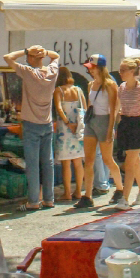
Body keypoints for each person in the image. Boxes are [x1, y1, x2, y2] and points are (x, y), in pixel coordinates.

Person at [4, 45, 60, 211]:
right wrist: (45, 52)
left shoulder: (28, 72)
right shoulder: (52, 72)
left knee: (33, 164)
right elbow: (56, 56)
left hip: (30, 123)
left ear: (31, 58)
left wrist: (25, 50)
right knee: (48, 163)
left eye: (28, 56)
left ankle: (34, 201)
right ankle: (49, 199)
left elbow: (7, 57)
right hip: (47, 122)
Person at [74, 54, 124, 209]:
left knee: (107, 158)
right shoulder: (91, 85)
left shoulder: (110, 84)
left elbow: (113, 109)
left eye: (92, 68)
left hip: (104, 121)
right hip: (92, 121)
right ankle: (87, 195)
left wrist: (111, 130)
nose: (90, 71)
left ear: (99, 68)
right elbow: (90, 105)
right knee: (88, 160)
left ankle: (120, 189)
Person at [115, 59, 140, 209]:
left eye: (123, 70)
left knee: (130, 163)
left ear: (132, 72)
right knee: (135, 161)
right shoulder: (122, 87)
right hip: (125, 124)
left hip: (136, 124)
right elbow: (118, 108)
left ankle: (124, 198)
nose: (121, 73)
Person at [54, 66, 86, 203]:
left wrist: (67, 122)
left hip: (65, 130)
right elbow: (85, 107)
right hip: (78, 128)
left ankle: (67, 192)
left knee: (66, 163)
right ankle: (78, 190)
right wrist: (77, 123)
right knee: (78, 162)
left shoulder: (59, 90)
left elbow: (59, 108)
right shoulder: (78, 90)